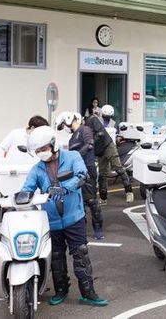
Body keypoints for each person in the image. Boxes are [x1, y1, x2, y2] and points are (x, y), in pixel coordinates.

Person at [21, 126, 108, 307]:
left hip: (74, 217)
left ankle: (88, 293)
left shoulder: (73, 157)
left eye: (43, 149)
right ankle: (61, 290)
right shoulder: (37, 169)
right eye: (37, 151)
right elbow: (27, 188)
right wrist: (20, 197)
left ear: (53, 145)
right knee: (56, 258)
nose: (41, 153)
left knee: (81, 255)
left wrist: (66, 187)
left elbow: (82, 175)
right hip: (51, 221)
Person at [0, 115, 49, 241]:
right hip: (11, 172)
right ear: (32, 127)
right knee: (6, 199)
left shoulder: (38, 139)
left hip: (29, 172)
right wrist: (0, 164)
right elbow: (2, 147)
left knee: (32, 199)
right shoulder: (15, 134)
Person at [56, 112, 104, 240]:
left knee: (91, 200)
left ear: (69, 120)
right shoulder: (72, 139)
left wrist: (76, 155)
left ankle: (98, 228)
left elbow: (90, 143)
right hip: (76, 171)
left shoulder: (84, 129)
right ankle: (81, 229)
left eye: (64, 125)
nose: (65, 128)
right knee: (79, 201)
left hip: (88, 167)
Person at [85, 108, 134, 204]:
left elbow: (100, 134)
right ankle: (103, 199)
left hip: (108, 146)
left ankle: (129, 192)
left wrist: (91, 142)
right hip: (100, 151)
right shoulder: (83, 130)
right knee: (102, 174)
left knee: (118, 168)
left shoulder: (93, 120)